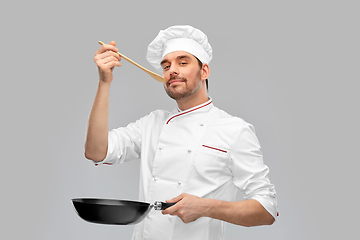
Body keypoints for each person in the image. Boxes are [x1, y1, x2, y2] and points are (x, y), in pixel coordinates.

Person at [85, 25, 278, 240]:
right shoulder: (152, 123)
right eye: (166, 66)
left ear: (204, 71)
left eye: (183, 62)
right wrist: (104, 82)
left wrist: (206, 207)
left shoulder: (234, 130)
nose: (172, 70)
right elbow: (96, 151)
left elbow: (267, 209)